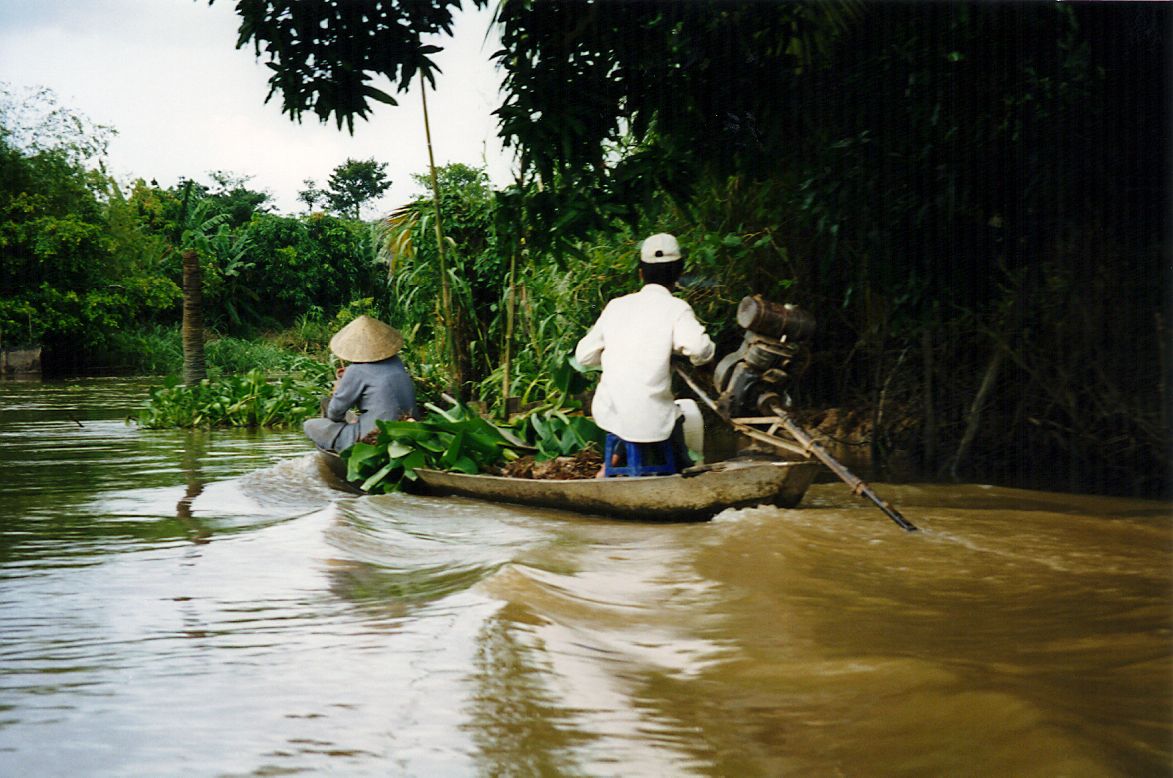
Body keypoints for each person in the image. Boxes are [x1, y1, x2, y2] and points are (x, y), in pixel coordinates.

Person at [574, 233, 715, 473]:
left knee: (630, 410)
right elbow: (701, 350)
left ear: (641, 273)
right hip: (654, 422)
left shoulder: (616, 307)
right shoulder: (676, 308)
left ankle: (609, 468)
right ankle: (682, 469)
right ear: (679, 274)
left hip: (611, 413)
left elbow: (584, 356)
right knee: (686, 412)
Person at [304, 315, 418, 452]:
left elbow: (335, 413)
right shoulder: (397, 362)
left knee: (309, 425)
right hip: (409, 428)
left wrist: (339, 388)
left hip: (374, 436)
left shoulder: (355, 371)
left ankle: (344, 446)